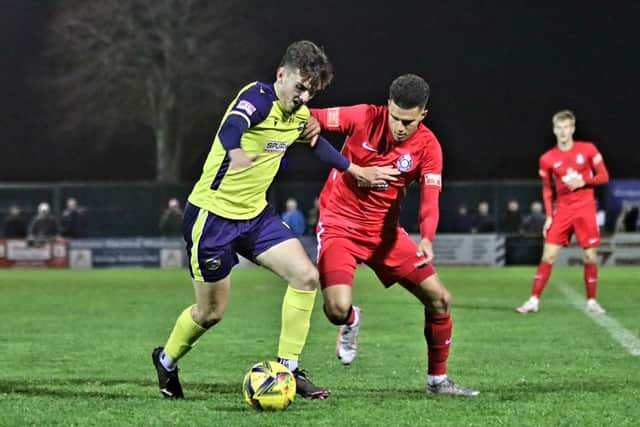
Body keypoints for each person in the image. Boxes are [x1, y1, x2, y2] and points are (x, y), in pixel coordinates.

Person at [151, 40, 398, 400]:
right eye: (299, 87)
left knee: (306, 276)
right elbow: (232, 126)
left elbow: (317, 146)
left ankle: (290, 369)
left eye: (310, 92)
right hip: (213, 217)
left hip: (255, 217)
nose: (302, 97)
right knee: (211, 313)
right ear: (281, 75)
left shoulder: (298, 116)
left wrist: (357, 170)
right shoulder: (259, 97)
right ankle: (167, 360)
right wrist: (234, 152)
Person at [306, 74, 479, 396]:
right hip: (340, 225)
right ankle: (351, 319)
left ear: (423, 115)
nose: (399, 127)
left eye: (408, 121)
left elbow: (430, 201)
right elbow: (308, 118)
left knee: (440, 300)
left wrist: (427, 238)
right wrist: (335, 153)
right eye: (395, 117)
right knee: (336, 310)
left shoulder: (429, 147)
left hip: (385, 235)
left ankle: (437, 381)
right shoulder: (362, 116)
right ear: (387, 106)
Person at [516, 110, 609, 314]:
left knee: (590, 257)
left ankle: (592, 301)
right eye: (559, 127)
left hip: (585, 208)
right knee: (548, 255)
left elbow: (604, 176)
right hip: (563, 210)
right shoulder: (547, 158)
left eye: (567, 127)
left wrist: (584, 181)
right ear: (554, 130)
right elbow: (547, 189)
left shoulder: (588, 149)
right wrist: (549, 216)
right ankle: (533, 300)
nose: (563, 131)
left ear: (573, 128)